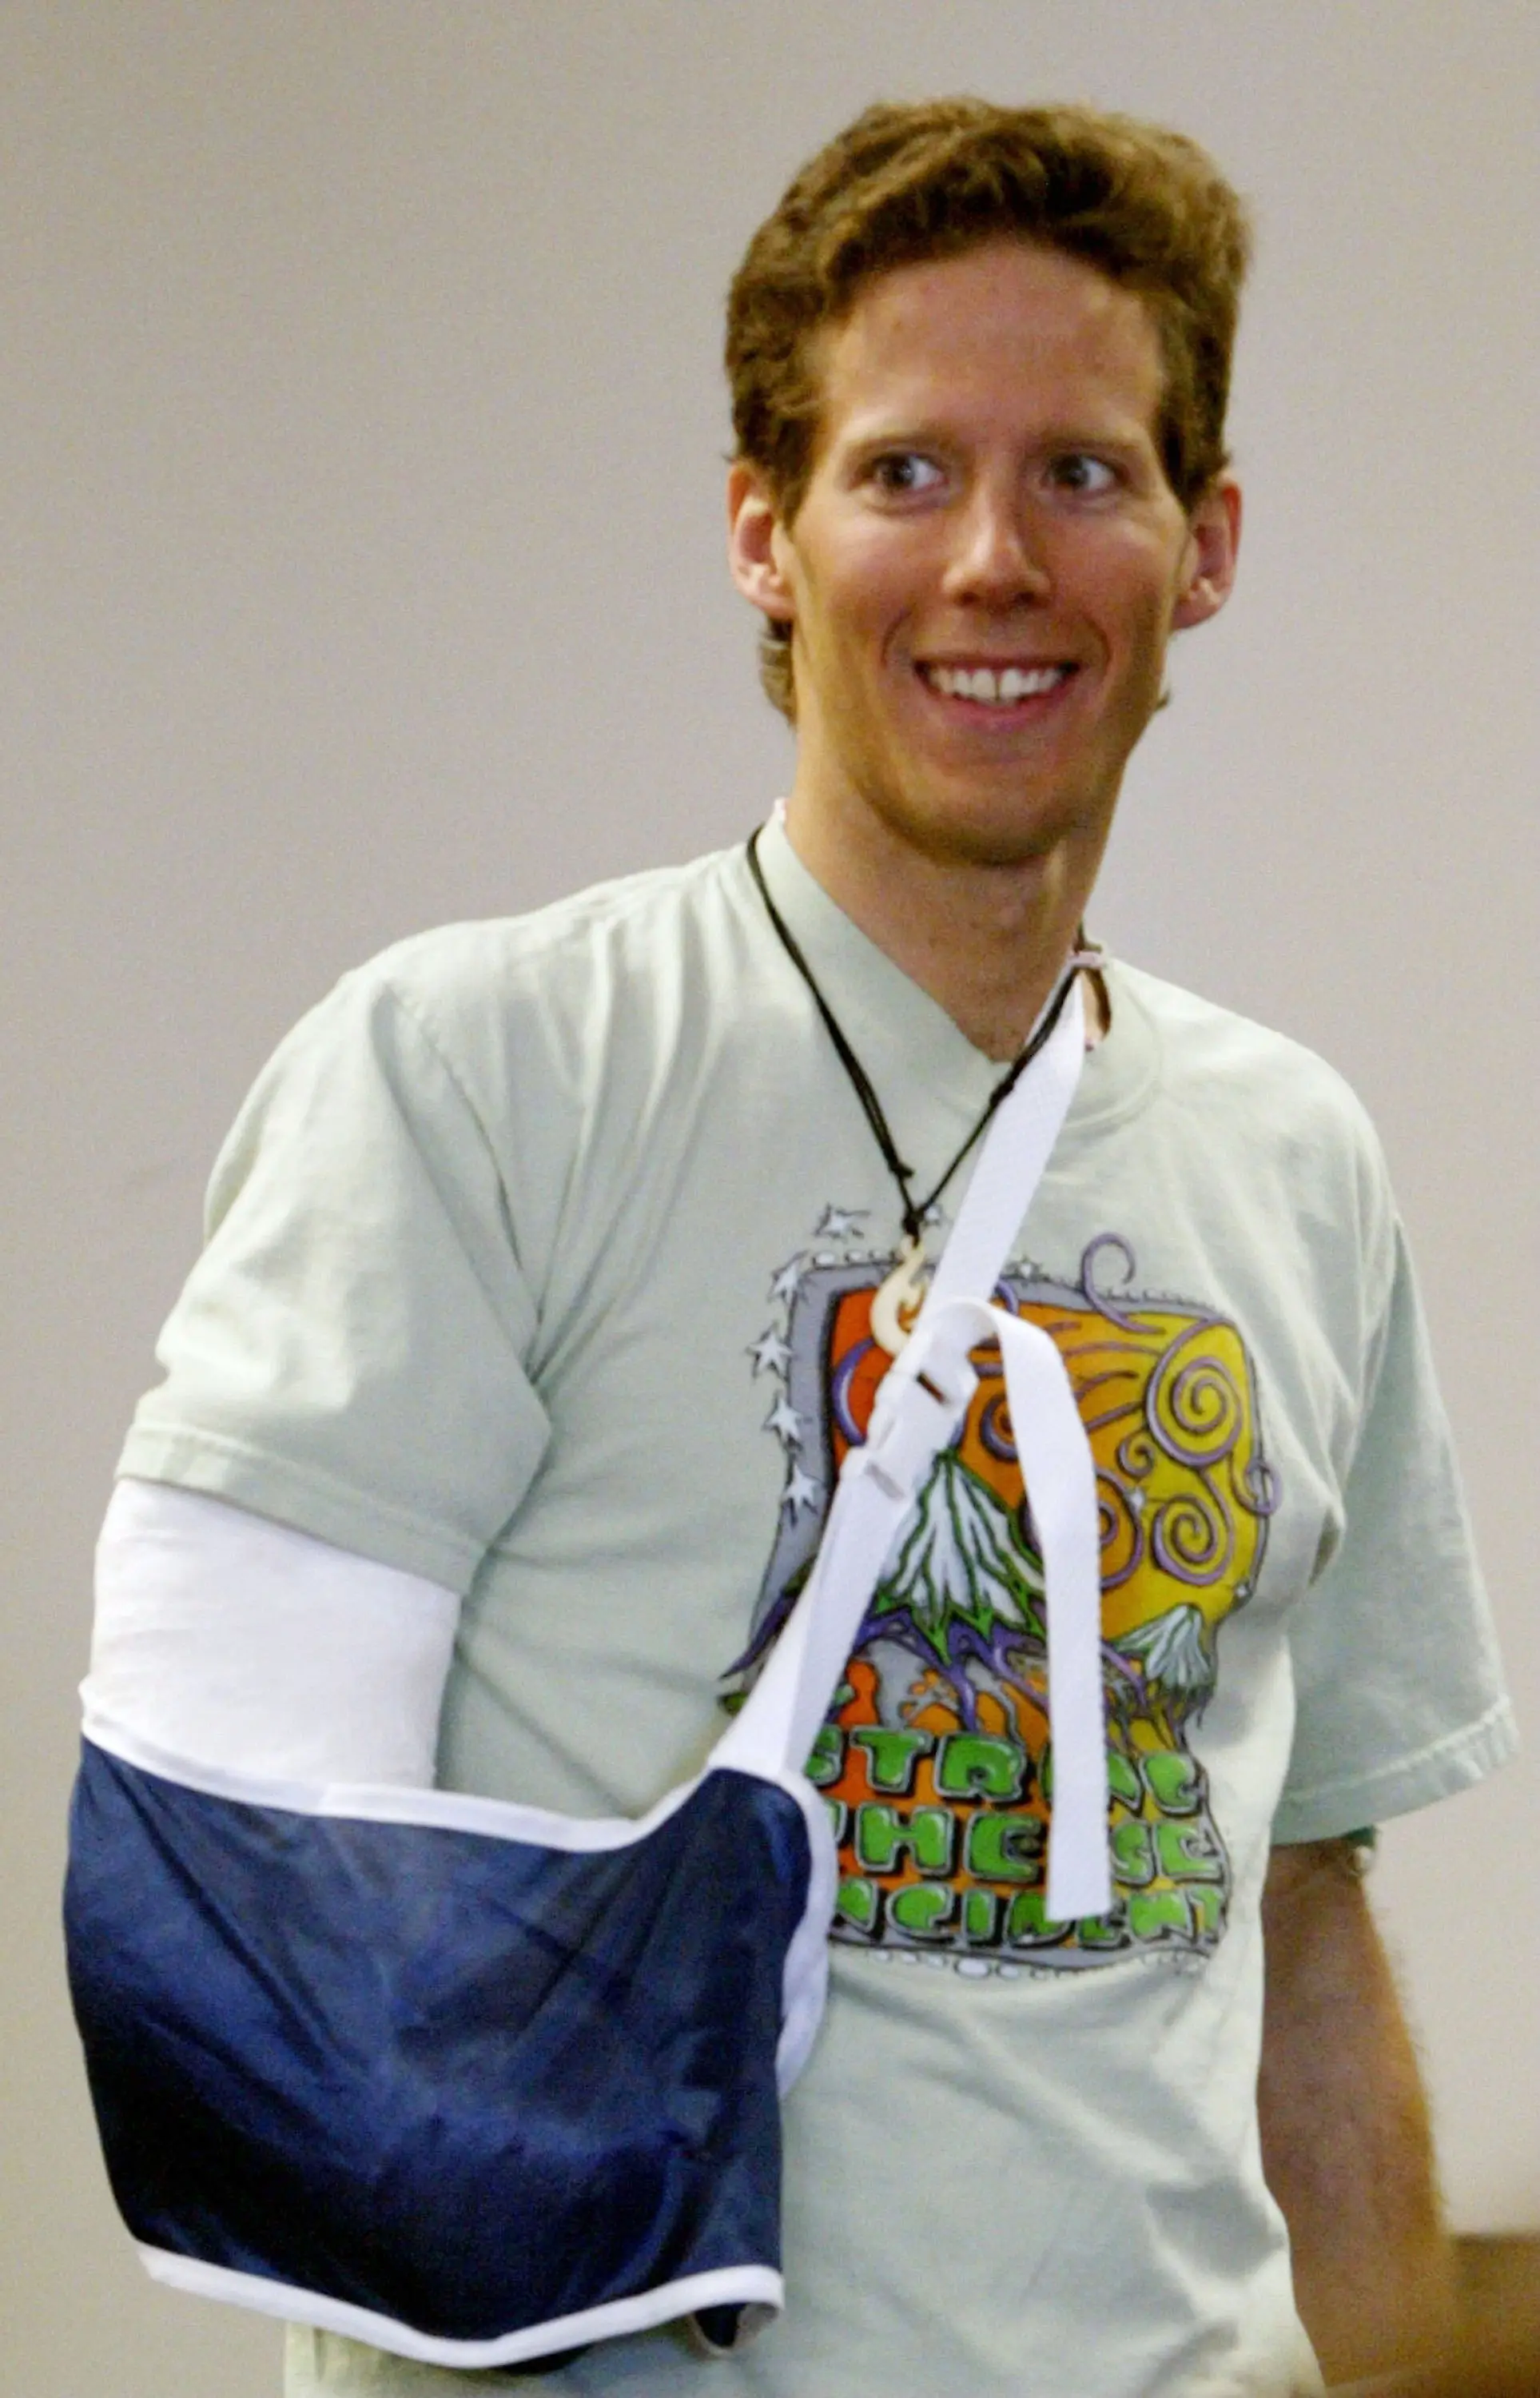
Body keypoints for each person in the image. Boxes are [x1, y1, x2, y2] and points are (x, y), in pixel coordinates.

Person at [72, 98, 1515, 2398]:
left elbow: (1304, 1921)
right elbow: (246, 1925)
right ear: (760, 532)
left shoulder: (1294, 1159)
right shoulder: (476, 1075)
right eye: (903, 472)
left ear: (1203, 540)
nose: (993, 564)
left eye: (1082, 473)